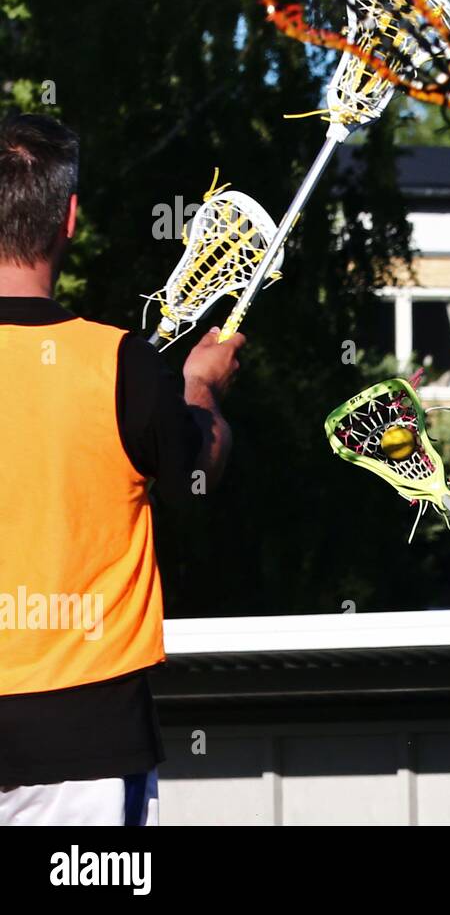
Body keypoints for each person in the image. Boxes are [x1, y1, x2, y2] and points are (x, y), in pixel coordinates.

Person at [0, 113, 244, 825]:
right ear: (69, 217)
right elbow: (199, 472)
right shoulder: (120, 363)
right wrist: (202, 387)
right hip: (86, 736)